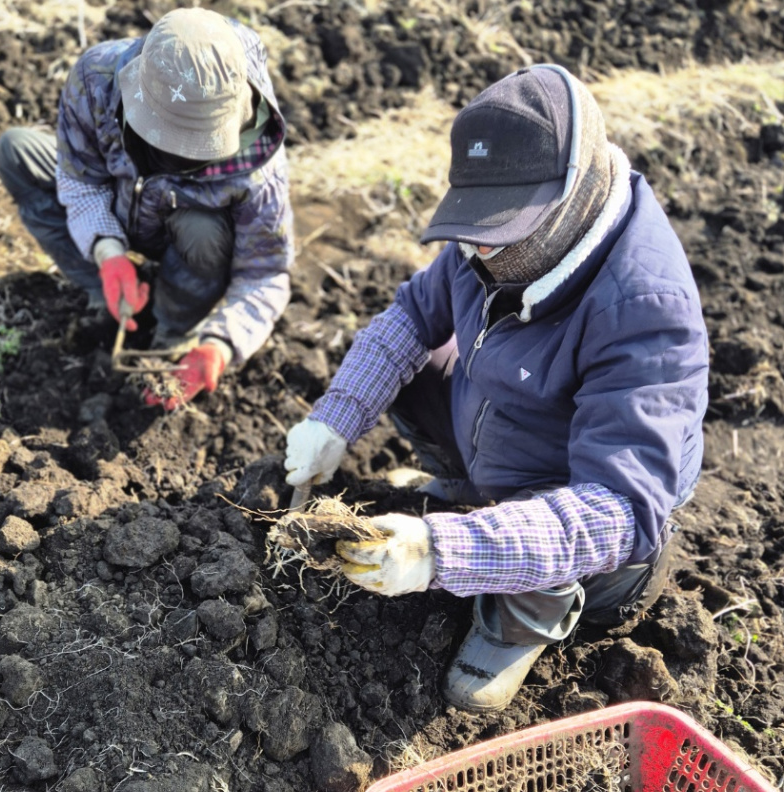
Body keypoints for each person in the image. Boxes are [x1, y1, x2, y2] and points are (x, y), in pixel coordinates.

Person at [283, 65, 709, 712]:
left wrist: (440, 553)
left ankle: (518, 620)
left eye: (500, 230)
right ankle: (469, 494)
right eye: (472, 224)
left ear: (572, 198)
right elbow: (408, 318)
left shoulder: (645, 307)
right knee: (414, 364)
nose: (476, 251)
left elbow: (615, 512)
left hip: (591, 531)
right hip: (498, 426)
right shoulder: (490, 241)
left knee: (572, 535)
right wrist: (334, 420)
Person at [0, 7, 294, 410]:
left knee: (203, 230)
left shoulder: (257, 172)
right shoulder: (97, 80)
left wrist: (221, 345)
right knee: (18, 152)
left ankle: (174, 331)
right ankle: (109, 295)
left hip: (190, 239)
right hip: (119, 203)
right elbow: (80, 180)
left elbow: (266, 274)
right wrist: (107, 253)